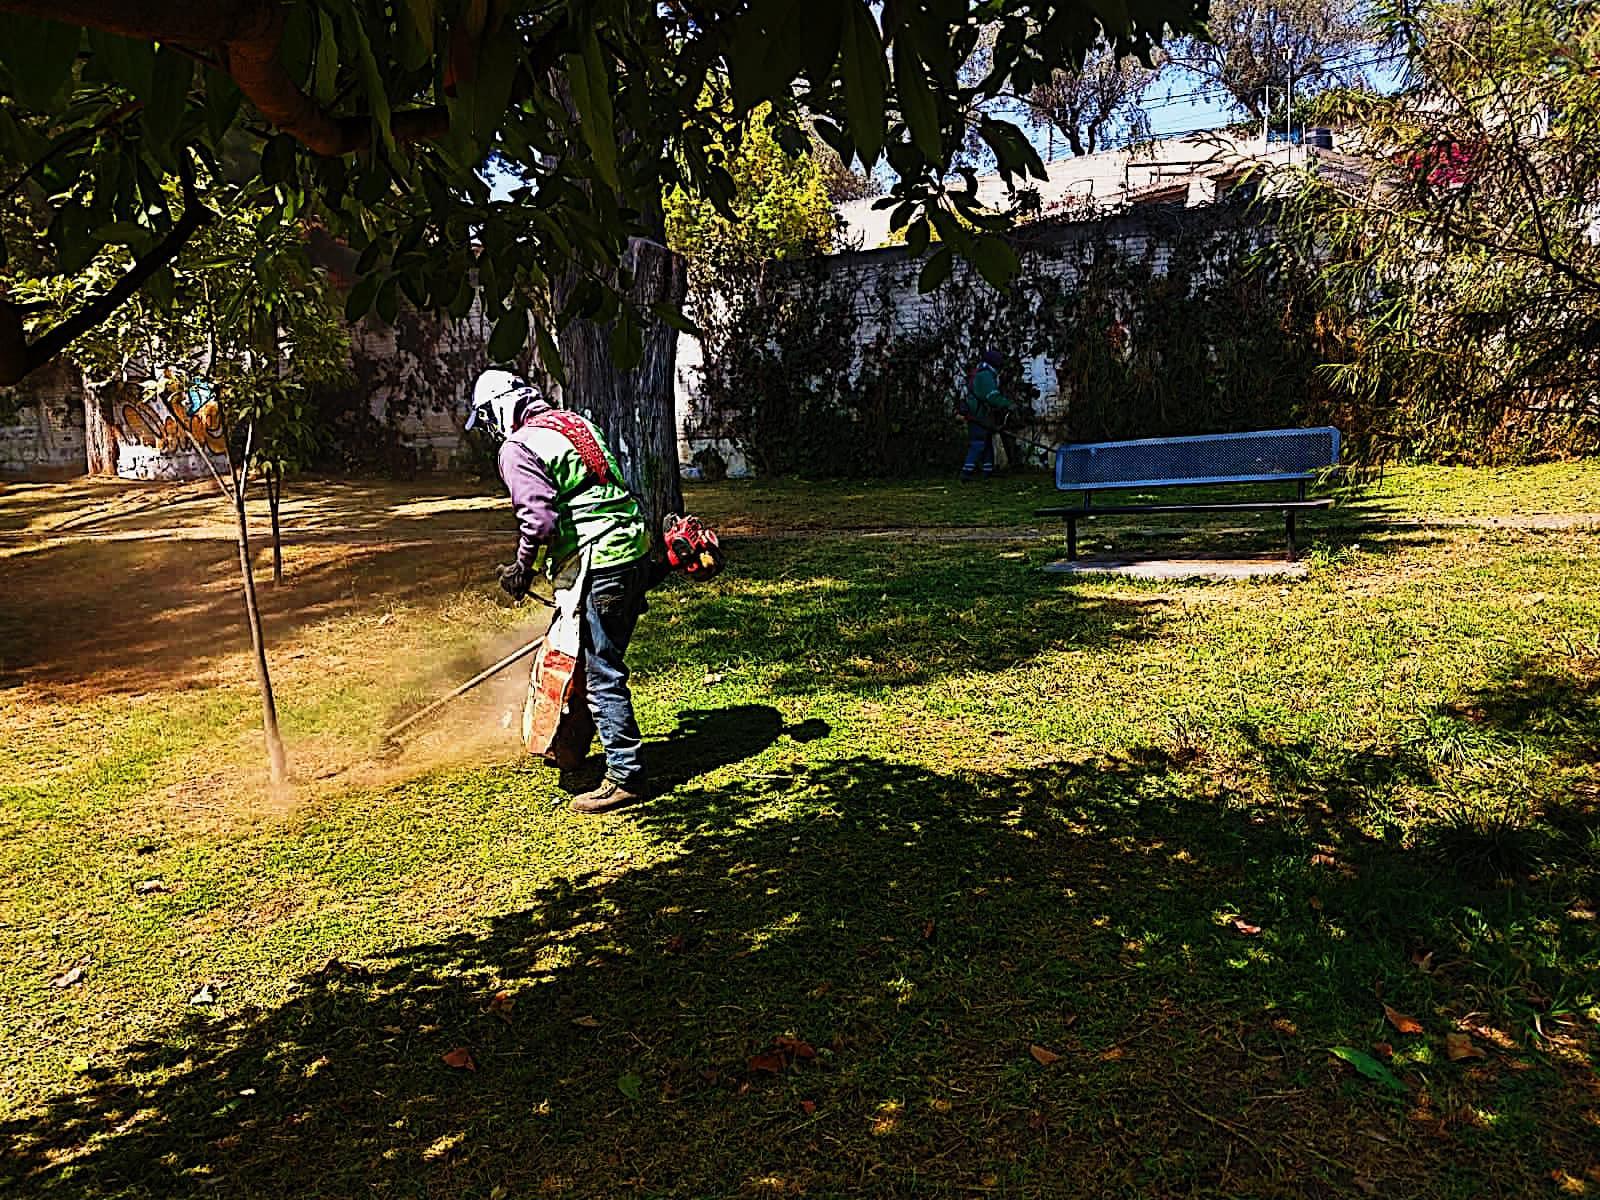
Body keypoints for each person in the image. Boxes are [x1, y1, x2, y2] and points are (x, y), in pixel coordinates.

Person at [466, 369, 654, 815]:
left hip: (600, 559)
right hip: (634, 549)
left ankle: (625, 775)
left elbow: (541, 521)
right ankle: (576, 745)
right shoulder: (575, 423)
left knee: (599, 666)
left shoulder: (517, 447)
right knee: (598, 659)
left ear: (496, 412)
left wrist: (520, 568)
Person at [959, 349, 1010, 482]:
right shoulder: (985, 375)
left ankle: (988, 470)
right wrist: (1007, 404)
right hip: (978, 415)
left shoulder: (980, 373)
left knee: (986, 442)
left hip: (978, 413)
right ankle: (966, 472)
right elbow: (992, 396)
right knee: (978, 443)